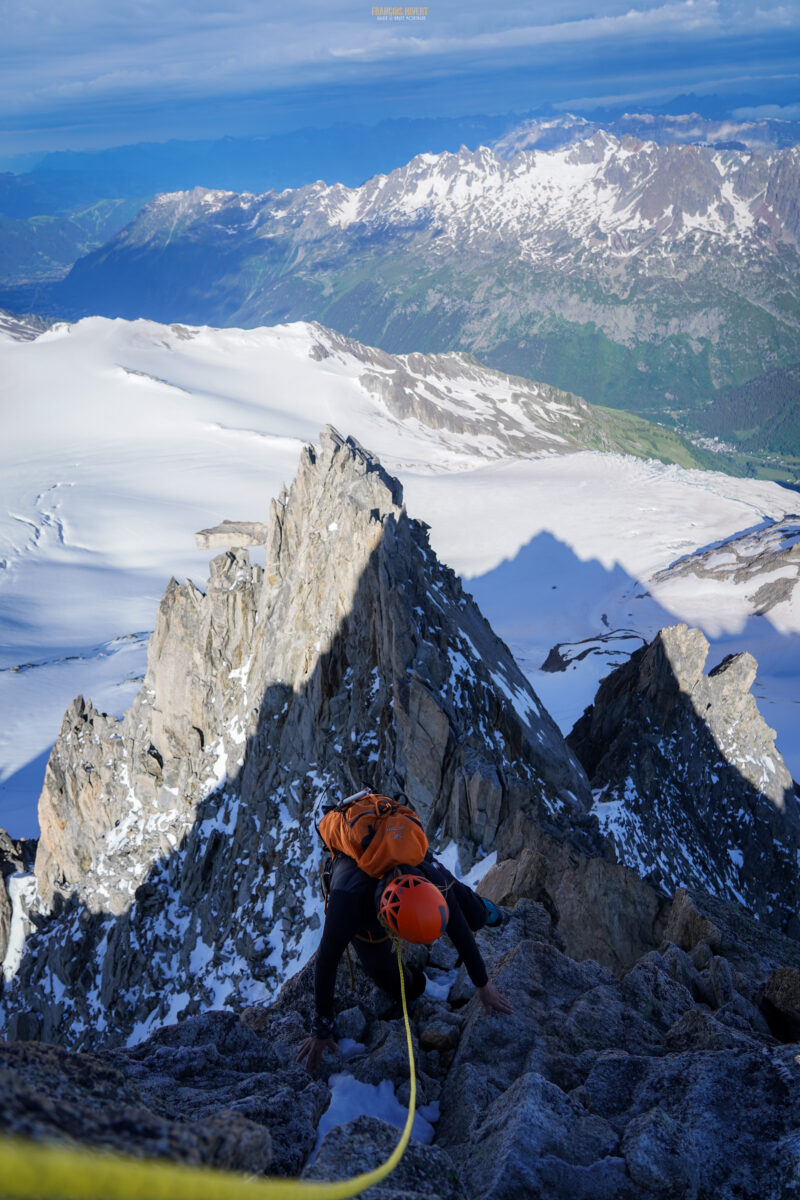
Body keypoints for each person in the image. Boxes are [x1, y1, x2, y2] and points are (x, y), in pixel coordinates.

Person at [297, 849, 513, 1071]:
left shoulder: (432, 883)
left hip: (412, 859)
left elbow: (461, 933)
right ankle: (413, 987)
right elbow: (326, 961)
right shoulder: (347, 903)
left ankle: (482, 909)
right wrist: (322, 1027)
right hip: (356, 883)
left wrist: (483, 984)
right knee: (389, 979)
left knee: (474, 915)